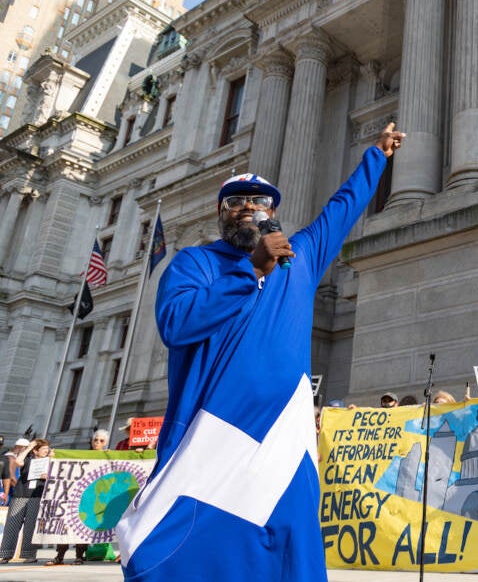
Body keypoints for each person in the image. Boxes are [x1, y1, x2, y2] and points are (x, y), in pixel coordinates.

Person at [115, 123, 405, 582]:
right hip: (211, 432)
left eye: (261, 202)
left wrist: (378, 156)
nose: (249, 208)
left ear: (273, 213)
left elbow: (342, 208)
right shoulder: (194, 263)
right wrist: (250, 270)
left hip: (282, 438)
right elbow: (177, 323)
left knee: (287, 545)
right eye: (236, 202)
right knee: (171, 552)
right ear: (221, 213)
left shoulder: (302, 257)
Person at [47, 430, 111, 566]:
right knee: (66, 525)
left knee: (84, 527)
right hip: (74, 495)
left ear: (105, 443)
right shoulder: (82, 455)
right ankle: (60, 555)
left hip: (92, 498)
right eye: (96, 440)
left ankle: (79, 556)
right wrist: (55, 456)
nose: (98, 443)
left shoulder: (107, 456)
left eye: (101, 441)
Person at [0, 438, 50, 564]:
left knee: (31, 526)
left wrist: (47, 476)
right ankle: (6, 554)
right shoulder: (28, 460)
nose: (46, 451)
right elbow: (17, 462)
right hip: (21, 495)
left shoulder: (49, 462)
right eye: (43, 449)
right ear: (36, 450)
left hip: (37, 496)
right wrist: (28, 448)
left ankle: (29, 554)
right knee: (12, 523)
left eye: (47, 449)